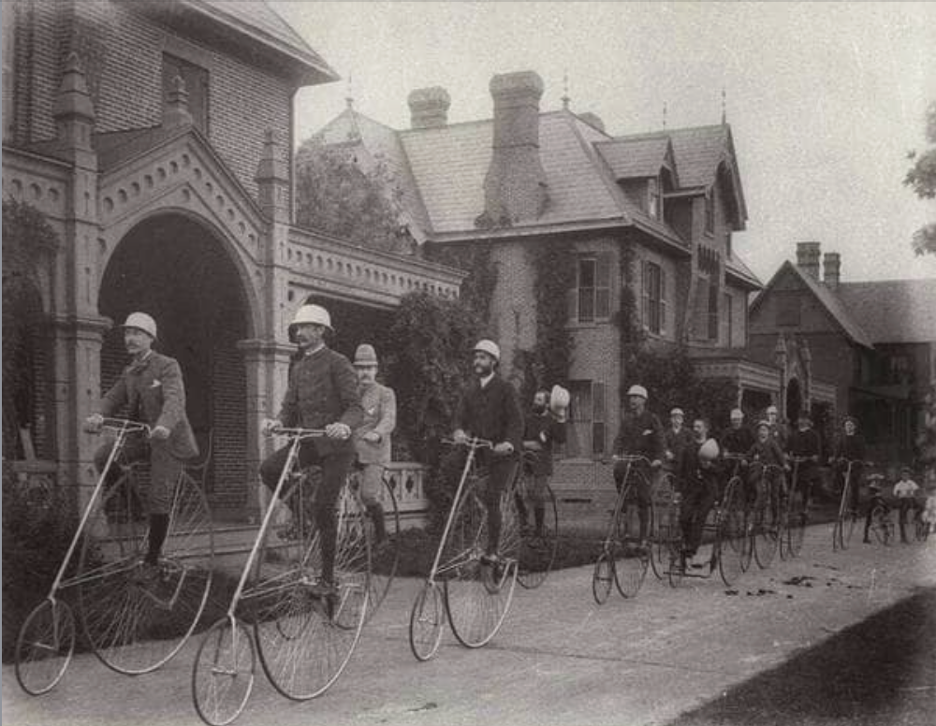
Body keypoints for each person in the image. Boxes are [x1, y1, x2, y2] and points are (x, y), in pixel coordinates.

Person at [84, 312, 199, 583]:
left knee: (159, 496)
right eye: (127, 333)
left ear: (150, 338)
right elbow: (113, 397)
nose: (130, 338)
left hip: (168, 439)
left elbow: (175, 400)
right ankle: (133, 507)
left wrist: (164, 425)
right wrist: (99, 414)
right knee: (104, 455)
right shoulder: (131, 370)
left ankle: (152, 559)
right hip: (142, 439)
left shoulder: (167, 365)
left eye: (137, 333)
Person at [260, 304, 363, 597]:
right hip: (308, 442)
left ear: (320, 331)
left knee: (325, 506)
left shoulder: (338, 362)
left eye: (306, 327)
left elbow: (355, 407)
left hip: (336, 446)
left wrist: (344, 425)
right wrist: (277, 423)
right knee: (268, 469)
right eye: (297, 328)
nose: (299, 332)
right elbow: (289, 409)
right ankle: (304, 515)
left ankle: (328, 579)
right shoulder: (298, 367)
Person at [452, 339, 524, 567]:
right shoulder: (470, 390)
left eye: (482, 357)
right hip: (481, 450)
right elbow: (459, 417)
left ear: (494, 361)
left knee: (493, 496)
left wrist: (509, 443)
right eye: (476, 357)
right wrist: (458, 431)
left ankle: (493, 551)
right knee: (450, 465)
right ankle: (481, 508)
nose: (477, 361)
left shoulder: (505, 389)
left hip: (503, 454)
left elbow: (516, 421)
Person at [351, 344, 396, 546]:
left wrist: (377, 432)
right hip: (352, 449)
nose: (365, 372)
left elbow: (389, 418)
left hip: (375, 452)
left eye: (369, 368)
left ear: (376, 370)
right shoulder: (350, 393)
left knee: (368, 495)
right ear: (355, 370)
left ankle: (381, 537)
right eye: (361, 368)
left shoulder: (385, 393)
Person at [611, 384, 664, 548]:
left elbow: (660, 440)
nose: (632, 400)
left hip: (646, 462)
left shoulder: (652, 419)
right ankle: (624, 503)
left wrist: (658, 458)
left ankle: (643, 537)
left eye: (635, 397)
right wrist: (615, 453)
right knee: (618, 469)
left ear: (643, 400)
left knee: (643, 498)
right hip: (630, 459)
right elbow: (620, 438)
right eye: (630, 397)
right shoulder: (627, 419)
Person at [519, 386, 568, 539]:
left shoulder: (551, 422)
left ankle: (539, 530)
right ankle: (524, 523)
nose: (535, 402)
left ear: (547, 404)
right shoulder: (527, 419)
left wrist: (561, 419)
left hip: (542, 463)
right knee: (522, 493)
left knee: (538, 495)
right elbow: (519, 439)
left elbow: (561, 439)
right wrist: (530, 444)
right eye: (535, 399)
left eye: (539, 400)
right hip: (526, 461)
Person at [678, 418, 721, 567]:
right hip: (692, 489)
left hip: (708, 490)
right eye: (694, 426)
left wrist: (710, 466)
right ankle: (688, 542)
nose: (696, 429)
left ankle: (692, 549)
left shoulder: (712, 447)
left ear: (706, 429)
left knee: (700, 517)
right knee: (684, 517)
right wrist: (679, 490)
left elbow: (721, 470)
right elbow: (681, 471)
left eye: (699, 427)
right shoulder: (688, 448)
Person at [830, 416, 867, 515]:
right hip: (845, 462)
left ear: (854, 427)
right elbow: (838, 450)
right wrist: (835, 458)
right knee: (837, 469)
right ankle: (837, 490)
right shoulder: (842, 438)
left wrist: (861, 461)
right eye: (847, 425)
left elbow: (862, 452)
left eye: (850, 425)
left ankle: (854, 508)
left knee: (854, 484)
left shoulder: (859, 438)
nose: (848, 427)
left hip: (855, 463)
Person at [786, 411, 822, 508]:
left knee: (806, 482)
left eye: (805, 419)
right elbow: (787, 449)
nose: (802, 421)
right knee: (790, 480)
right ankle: (790, 505)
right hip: (795, 463)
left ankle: (805, 505)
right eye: (801, 419)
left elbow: (817, 452)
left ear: (809, 421)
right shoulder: (793, 434)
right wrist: (788, 456)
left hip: (808, 463)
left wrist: (813, 457)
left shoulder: (814, 435)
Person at [892, 466, 921, 544]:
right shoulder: (898, 484)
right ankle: (903, 537)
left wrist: (913, 493)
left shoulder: (911, 483)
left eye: (907, 475)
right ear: (901, 476)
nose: (905, 476)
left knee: (920, 507)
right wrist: (898, 493)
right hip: (903, 500)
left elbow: (916, 490)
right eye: (903, 475)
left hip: (911, 500)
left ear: (909, 476)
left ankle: (917, 519)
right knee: (901, 516)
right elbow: (895, 493)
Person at [664, 407, 694, 475]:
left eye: (679, 418)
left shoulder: (687, 432)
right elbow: (664, 445)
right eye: (674, 418)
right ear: (671, 420)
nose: (676, 420)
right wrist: (667, 452)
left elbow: (692, 444)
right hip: (672, 461)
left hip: (685, 461)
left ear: (682, 420)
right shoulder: (667, 433)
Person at [862, 476, 890, 544]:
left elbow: (881, 497)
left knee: (882, 516)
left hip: (877, 506)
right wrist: (875, 496)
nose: (877, 482)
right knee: (868, 521)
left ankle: (885, 533)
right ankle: (865, 537)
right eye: (875, 480)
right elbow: (868, 497)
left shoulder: (878, 488)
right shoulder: (871, 488)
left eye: (877, 481)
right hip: (872, 505)